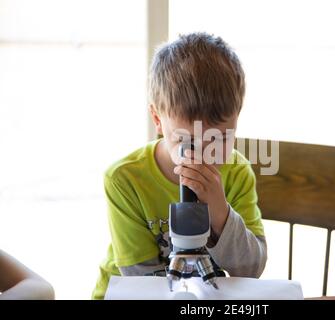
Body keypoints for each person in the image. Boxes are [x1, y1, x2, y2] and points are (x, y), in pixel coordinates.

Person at [92, 32, 267, 299]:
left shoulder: (237, 173)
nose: (204, 155)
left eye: (219, 139)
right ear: (158, 119)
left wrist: (220, 212)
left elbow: (251, 269)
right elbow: (140, 280)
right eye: (187, 141)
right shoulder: (125, 179)